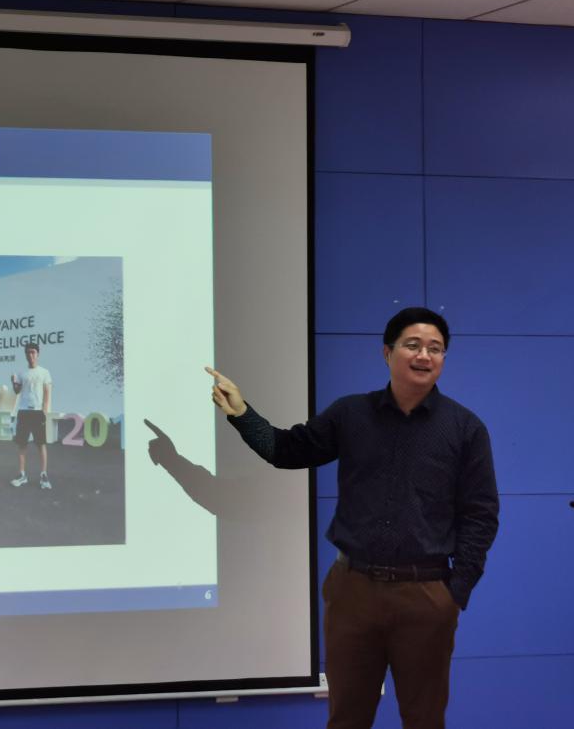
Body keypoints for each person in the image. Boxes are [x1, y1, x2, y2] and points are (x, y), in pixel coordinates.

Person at [202, 307, 498, 729]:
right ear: (387, 352)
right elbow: (287, 450)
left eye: (435, 349)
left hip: (427, 595)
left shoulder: (465, 428)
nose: (424, 355)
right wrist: (241, 413)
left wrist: (456, 592)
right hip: (353, 592)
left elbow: (481, 513)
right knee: (346, 719)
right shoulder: (351, 414)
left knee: (425, 719)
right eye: (413, 345)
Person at [9, 342, 53, 489]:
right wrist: (13, 382)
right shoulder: (22, 373)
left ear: (37, 354)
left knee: (41, 444)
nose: (30, 355)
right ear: (25, 355)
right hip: (23, 411)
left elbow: (47, 393)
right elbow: (17, 391)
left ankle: (44, 475)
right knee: (22, 444)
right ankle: (22, 475)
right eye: (28, 352)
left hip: (37, 412)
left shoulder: (44, 372)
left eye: (33, 352)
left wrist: (45, 412)